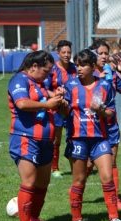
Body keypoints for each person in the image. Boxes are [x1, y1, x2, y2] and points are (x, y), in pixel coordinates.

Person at [59, 49, 121, 221]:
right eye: (77, 65)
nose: (78, 68)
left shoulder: (104, 85)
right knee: (79, 181)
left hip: (100, 139)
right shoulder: (70, 85)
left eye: (82, 65)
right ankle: (76, 219)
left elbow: (111, 112)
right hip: (78, 139)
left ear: (92, 66)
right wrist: (63, 106)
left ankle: (114, 219)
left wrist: (101, 111)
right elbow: (65, 113)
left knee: (107, 178)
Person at [7, 50, 65, 221]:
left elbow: (49, 97)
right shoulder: (19, 80)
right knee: (29, 182)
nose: (48, 76)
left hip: (45, 141)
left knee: (42, 183)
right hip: (26, 138)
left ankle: (34, 217)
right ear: (34, 67)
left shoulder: (37, 84)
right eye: (46, 71)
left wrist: (58, 97)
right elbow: (22, 103)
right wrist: (48, 105)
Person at [90, 39, 121, 210]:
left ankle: (115, 199)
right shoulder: (87, 74)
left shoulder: (112, 73)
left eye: (106, 53)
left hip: (111, 124)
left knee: (112, 161)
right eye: (100, 53)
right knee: (87, 165)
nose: (104, 56)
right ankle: (78, 191)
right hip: (91, 125)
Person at [44, 40, 77, 179]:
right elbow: (44, 89)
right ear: (57, 53)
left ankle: (77, 166)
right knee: (56, 139)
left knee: (74, 137)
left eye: (68, 52)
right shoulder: (52, 69)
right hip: (56, 108)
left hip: (72, 108)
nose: (66, 55)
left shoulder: (75, 68)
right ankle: (55, 168)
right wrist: (57, 97)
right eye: (63, 52)